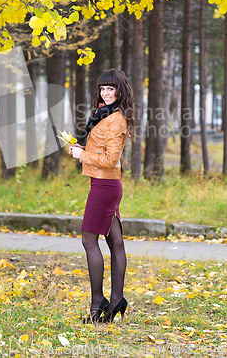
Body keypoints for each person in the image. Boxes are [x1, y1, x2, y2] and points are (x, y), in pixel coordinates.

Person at [69, 69, 135, 324]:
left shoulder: (117, 119)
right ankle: (116, 300)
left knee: (89, 241)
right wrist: (82, 149)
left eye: (111, 89)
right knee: (115, 243)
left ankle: (98, 305)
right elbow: (101, 150)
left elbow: (110, 159)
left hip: (105, 187)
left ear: (120, 90)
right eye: (103, 88)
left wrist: (82, 156)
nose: (106, 93)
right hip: (105, 183)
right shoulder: (104, 113)